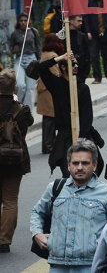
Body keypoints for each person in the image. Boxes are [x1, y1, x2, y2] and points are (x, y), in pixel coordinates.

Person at [30, 139, 107, 271]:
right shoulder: (55, 188)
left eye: (85, 163)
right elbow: (37, 212)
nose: (79, 167)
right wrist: (37, 234)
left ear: (94, 165)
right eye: (75, 163)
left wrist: (105, 246)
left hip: (91, 265)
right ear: (68, 165)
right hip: (57, 264)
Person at [31, 51, 102, 177]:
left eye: (77, 64)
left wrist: (82, 136)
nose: (76, 66)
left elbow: (87, 114)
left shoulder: (82, 88)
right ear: (63, 67)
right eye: (73, 64)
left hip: (83, 133)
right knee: (67, 169)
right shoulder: (56, 84)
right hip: (65, 133)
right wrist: (60, 58)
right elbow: (41, 68)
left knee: (92, 168)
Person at [0, 69, 33, 253]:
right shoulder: (21, 109)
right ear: (14, 87)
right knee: (10, 200)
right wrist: (16, 102)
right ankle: (4, 240)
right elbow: (29, 123)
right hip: (14, 158)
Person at [9, 13, 41, 110]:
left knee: (30, 88)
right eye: (21, 21)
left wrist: (40, 61)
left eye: (25, 20)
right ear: (18, 22)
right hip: (20, 59)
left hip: (32, 60)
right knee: (20, 85)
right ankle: (18, 106)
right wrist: (13, 50)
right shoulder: (15, 33)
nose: (23, 22)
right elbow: (11, 48)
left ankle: (26, 110)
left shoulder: (34, 32)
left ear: (28, 21)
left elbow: (38, 47)